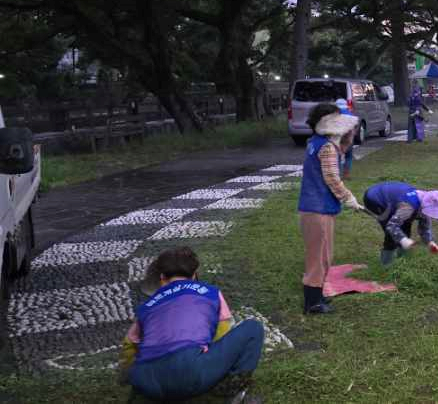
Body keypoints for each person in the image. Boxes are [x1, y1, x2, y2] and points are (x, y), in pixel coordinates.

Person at [118, 247, 264, 403]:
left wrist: (128, 374)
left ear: (162, 277)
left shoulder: (147, 305)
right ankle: (233, 390)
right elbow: (220, 335)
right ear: (194, 275)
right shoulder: (211, 293)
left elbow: (129, 345)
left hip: (146, 381)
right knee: (253, 328)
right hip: (189, 374)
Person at [298, 103, 363, 315]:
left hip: (313, 207)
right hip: (318, 209)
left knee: (321, 254)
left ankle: (316, 295)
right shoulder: (326, 147)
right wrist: (349, 198)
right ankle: (313, 303)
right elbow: (332, 178)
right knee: (319, 257)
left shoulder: (316, 142)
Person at [363, 182, 438, 266]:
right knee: (391, 235)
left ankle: (403, 261)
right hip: (375, 197)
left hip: (397, 198)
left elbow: (425, 226)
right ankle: (386, 264)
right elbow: (391, 225)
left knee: (405, 227)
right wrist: (403, 240)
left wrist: (430, 242)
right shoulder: (408, 208)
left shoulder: (424, 202)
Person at [335, 98, 355, 176]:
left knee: (338, 157)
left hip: (338, 138)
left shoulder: (334, 115)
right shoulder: (350, 114)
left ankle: (338, 175)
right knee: (348, 156)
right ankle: (346, 174)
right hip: (349, 138)